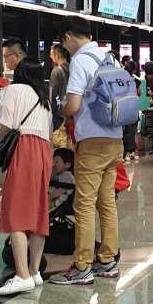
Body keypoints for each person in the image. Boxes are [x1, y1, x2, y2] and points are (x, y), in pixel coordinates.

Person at [49, 18, 121, 286]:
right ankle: (108, 260)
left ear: (68, 36)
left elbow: (74, 104)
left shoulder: (80, 60)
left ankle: (82, 266)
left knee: (84, 204)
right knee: (106, 202)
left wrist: (62, 109)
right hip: (114, 139)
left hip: (92, 140)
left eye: (63, 42)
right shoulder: (108, 57)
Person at [0, 58, 53, 297]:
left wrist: (3, 152)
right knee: (38, 212)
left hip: (24, 149)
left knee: (16, 212)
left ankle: (22, 275)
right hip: (44, 152)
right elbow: (49, 133)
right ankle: (35, 271)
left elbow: (6, 127)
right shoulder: (44, 98)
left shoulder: (13, 90)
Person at [49, 42, 70, 131]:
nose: (50, 56)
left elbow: (52, 94)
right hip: (71, 109)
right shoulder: (72, 67)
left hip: (59, 113)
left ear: (57, 55)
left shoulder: (56, 71)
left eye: (51, 54)